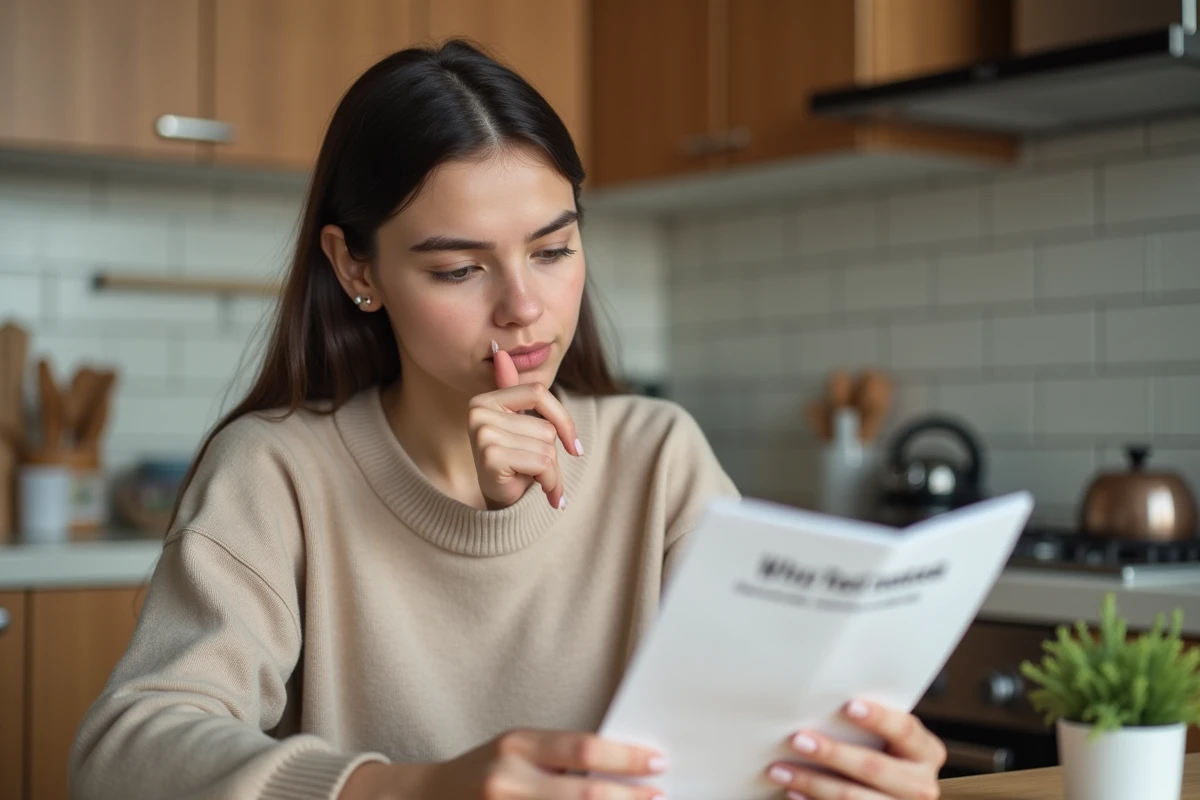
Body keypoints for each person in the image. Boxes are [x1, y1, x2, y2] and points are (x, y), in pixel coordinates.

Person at [69, 41, 946, 800]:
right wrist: (408, 788)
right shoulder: (277, 472)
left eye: (555, 250)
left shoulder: (659, 457)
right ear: (356, 269)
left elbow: (752, 737)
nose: (525, 308)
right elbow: (122, 756)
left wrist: (846, 769)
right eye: (458, 269)